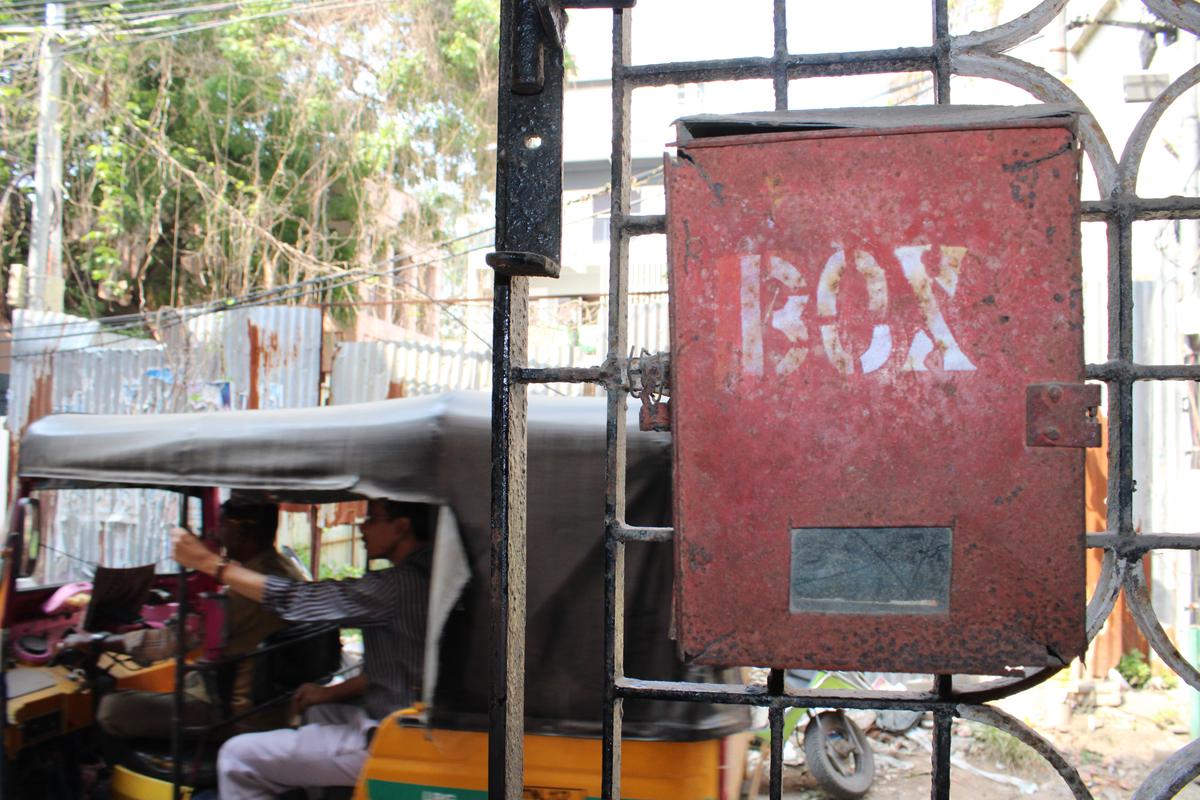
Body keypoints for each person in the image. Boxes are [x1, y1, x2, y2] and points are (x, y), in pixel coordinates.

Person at [171, 498, 434, 799]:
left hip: (397, 736)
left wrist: (210, 564)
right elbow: (398, 665)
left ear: (401, 527)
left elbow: (301, 600)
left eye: (372, 518)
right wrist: (328, 692)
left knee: (237, 755)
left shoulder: (400, 585)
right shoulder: (427, 571)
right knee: (318, 710)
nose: (362, 528)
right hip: (403, 716)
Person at [83, 500, 304, 739]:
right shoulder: (286, 570)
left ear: (241, 531)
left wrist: (98, 641)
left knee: (112, 708)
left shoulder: (246, 591)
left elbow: (169, 642)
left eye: (220, 526)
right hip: (274, 703)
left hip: (232, 712)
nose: (214, 534)